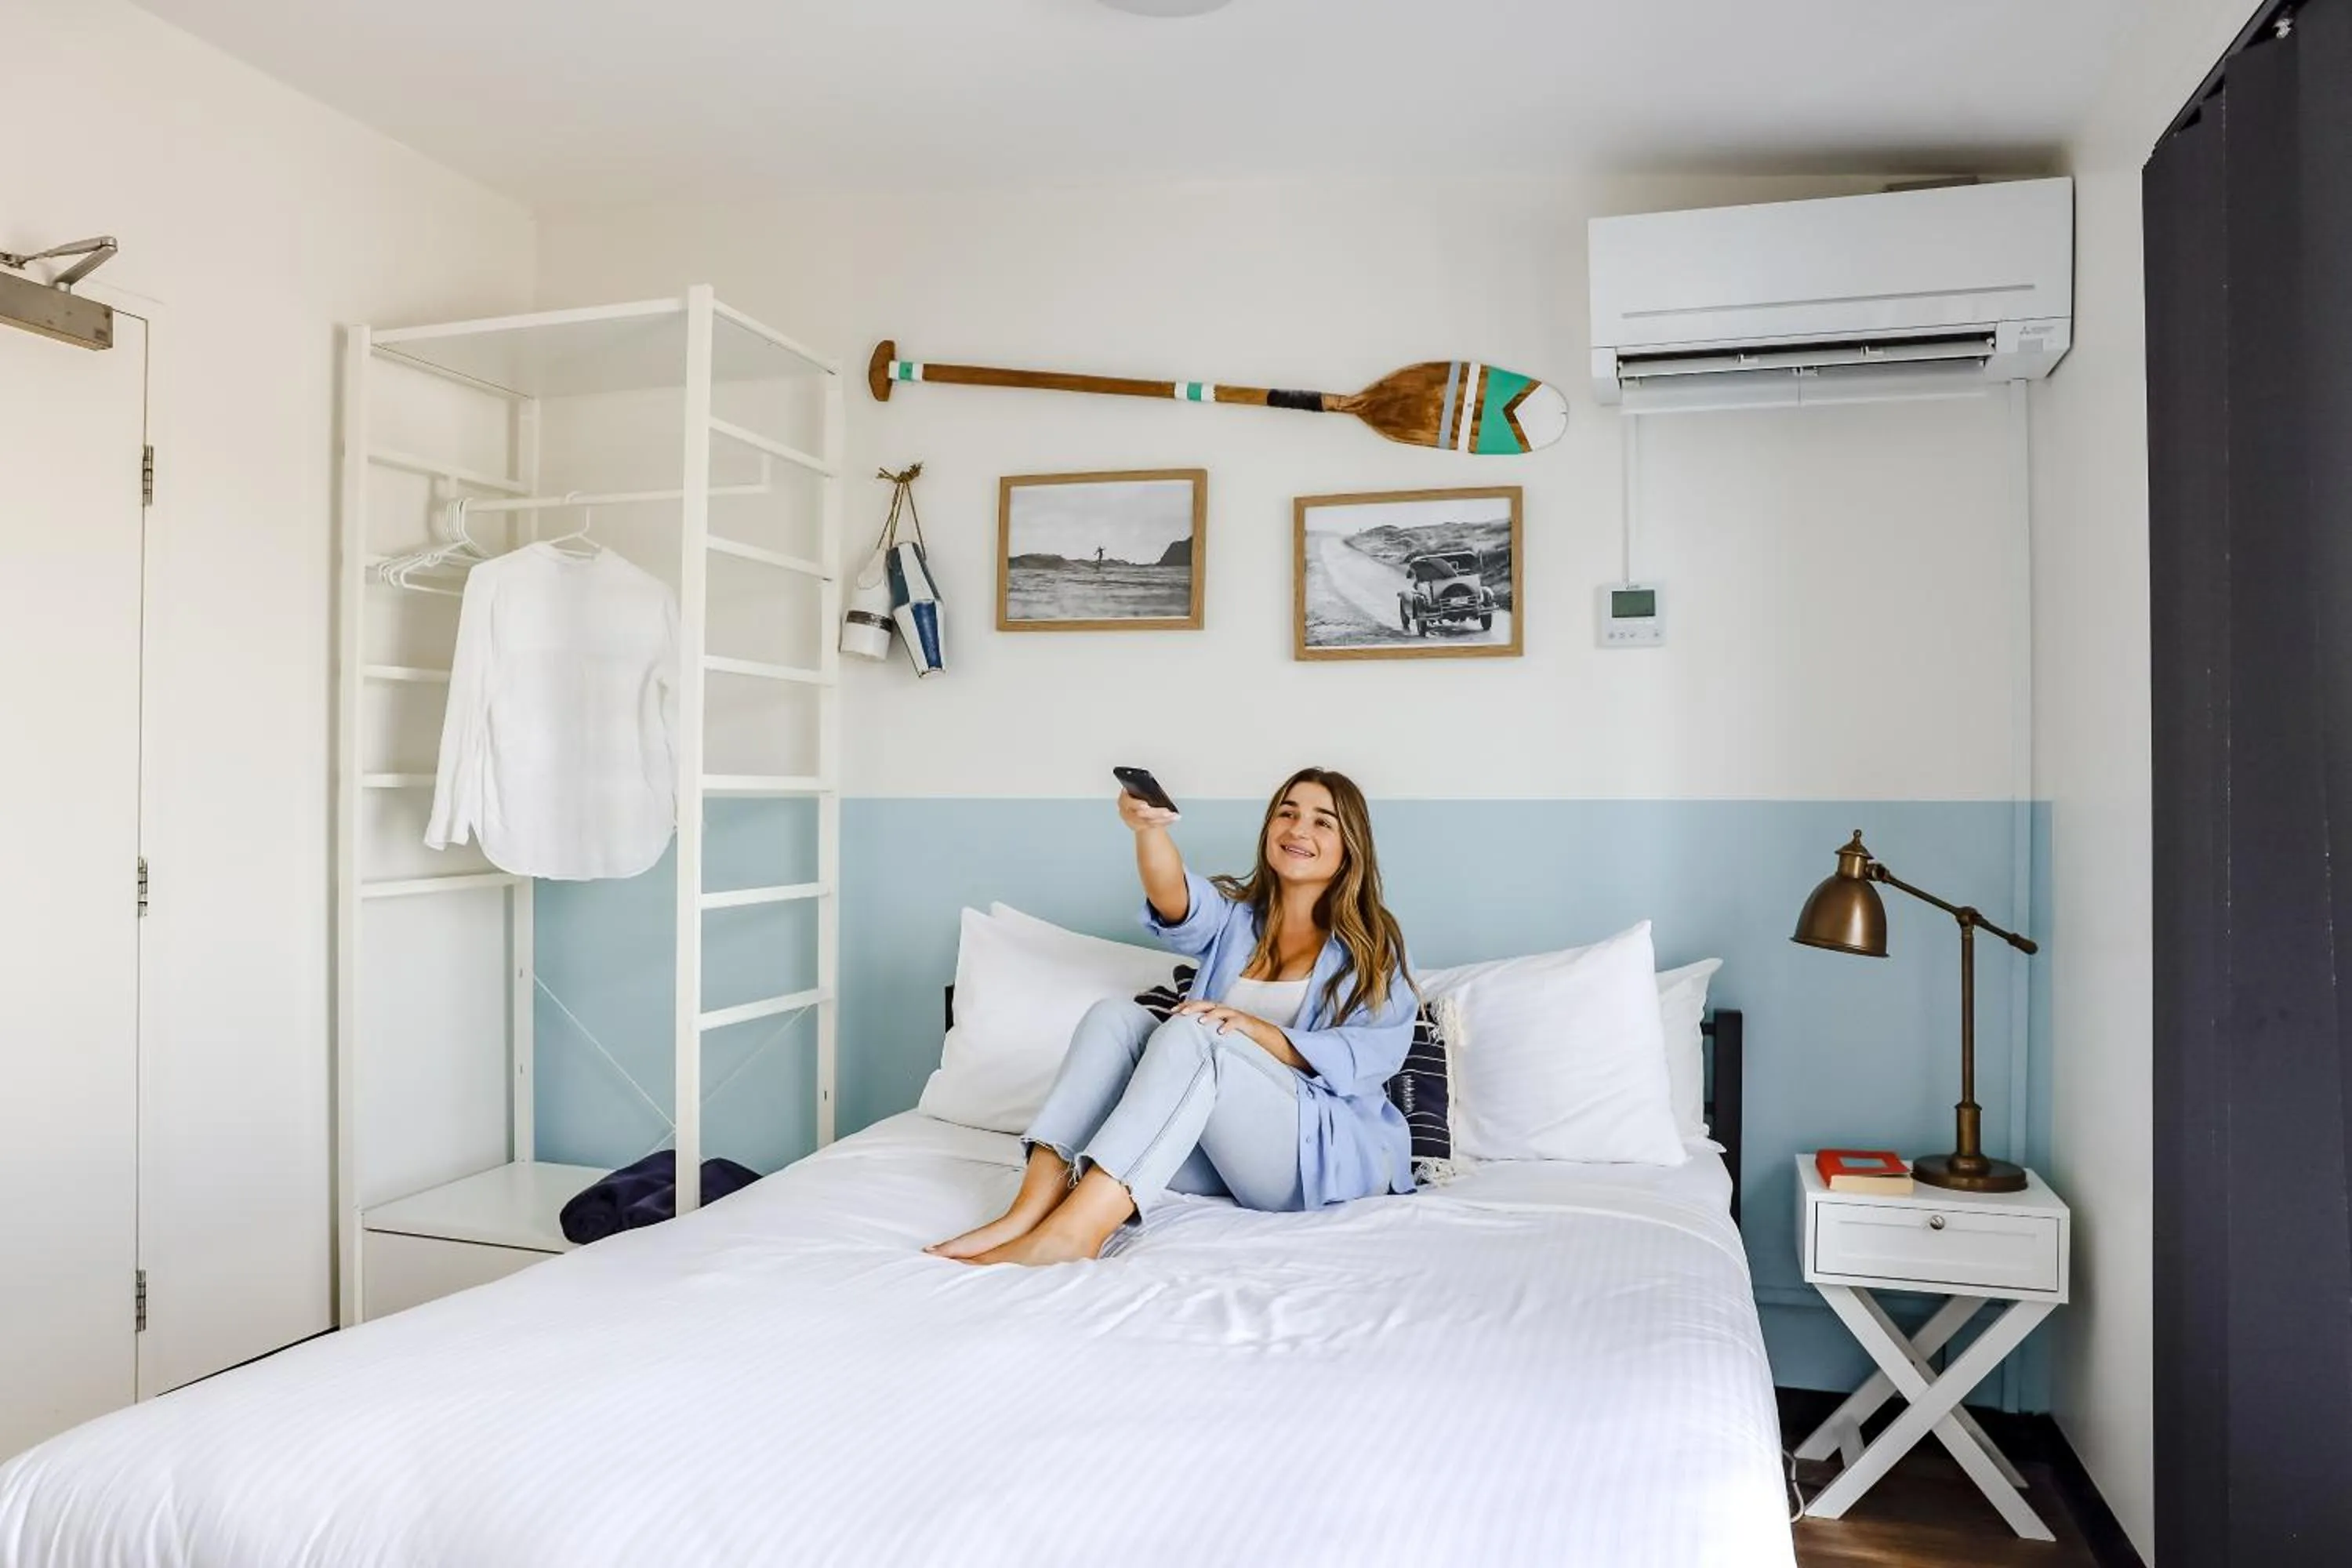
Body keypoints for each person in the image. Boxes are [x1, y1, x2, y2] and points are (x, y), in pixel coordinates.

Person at [927, 767, 1417, 1266]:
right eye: (1287, 813)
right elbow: (1175, 897)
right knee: (1115, 1018)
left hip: (1303, 1157)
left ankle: (1076, 1233)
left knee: (1195, 1031)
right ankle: (1025, 1214)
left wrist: (1251, 1029)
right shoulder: (1236, 922)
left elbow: (1371, 1056)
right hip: (1216, 1153)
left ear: (1350, 846)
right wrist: (1150, 829)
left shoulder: (1373, 948)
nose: (1297, 830)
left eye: (1322, 822)